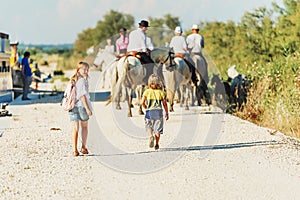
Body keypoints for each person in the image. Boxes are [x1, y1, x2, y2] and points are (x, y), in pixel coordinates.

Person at [69, 61, 93, 156]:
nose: (86, 71)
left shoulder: (73, 79)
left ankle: (74, 150)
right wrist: (87, 108)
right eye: (84, 69)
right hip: (82, 107)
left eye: (87, 70)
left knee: (75, 128)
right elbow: (82, 95)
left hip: (72, 106)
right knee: (84, 127)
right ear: (78, 70)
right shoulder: (82, 80)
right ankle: (83, 147)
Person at [141, 74, 169, 150]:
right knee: (158, 130)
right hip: (158, 112)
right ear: (158, 83)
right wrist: (167, 113)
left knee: (149, 126)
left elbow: (142, 102)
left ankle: (150, 136)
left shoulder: (146, 92)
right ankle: (156, 144)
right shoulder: (161, 92)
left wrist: (146, 108)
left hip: (149, 112)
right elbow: (165, 104)